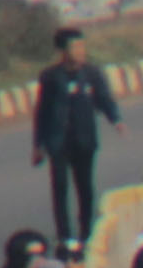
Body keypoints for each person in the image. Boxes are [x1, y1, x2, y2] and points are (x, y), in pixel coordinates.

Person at [29, 31, 121, 249]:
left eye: (82, 46)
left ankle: (86, 231)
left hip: (84, 139)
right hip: (58, 141)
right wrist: (38, 145)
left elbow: (104, 98)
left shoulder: (92, 73)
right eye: (75, 47)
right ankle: (64, 235)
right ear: (62, 51)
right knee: (60, 187)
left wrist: (115, 119)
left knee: (85, 187)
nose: (80, 51)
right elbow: (42, 112)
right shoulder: (50, 77)